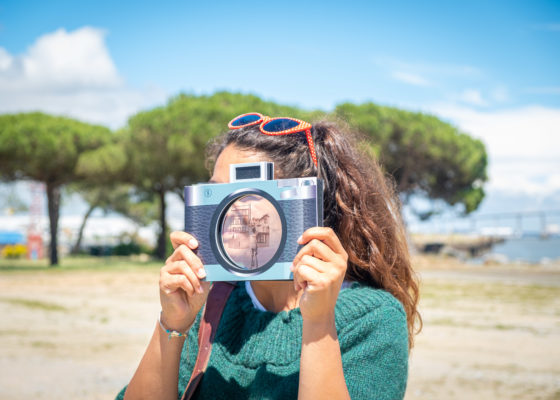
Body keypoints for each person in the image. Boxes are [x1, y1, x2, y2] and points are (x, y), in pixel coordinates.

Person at [117, 113, 421, 400]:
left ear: (302, 204)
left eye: (244, 195)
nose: (228, 211)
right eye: (216, 195)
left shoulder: (372, 319)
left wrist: (318, 321)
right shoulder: (211, 300)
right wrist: (172, 323)